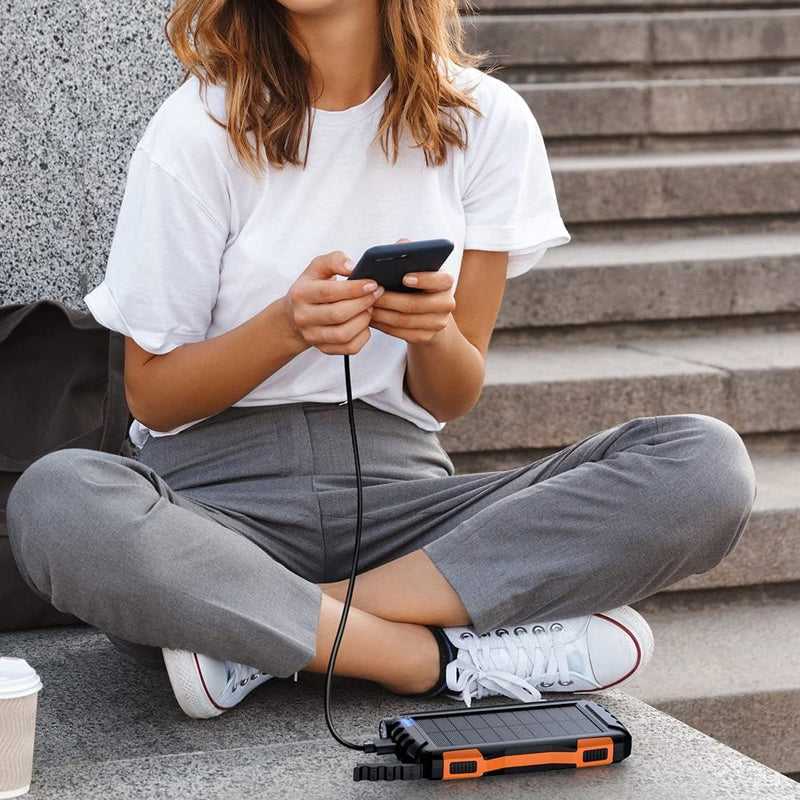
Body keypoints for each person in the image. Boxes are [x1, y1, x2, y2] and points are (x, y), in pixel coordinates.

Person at [8, 0, 756, 720]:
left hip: (404, 510)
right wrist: (285, 328)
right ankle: (427, 658)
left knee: (703, 464)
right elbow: (152, 396)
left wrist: (432, 333)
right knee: (58, 500)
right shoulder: (200, 124)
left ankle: (264, 630)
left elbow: (449, 398)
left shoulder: (486, 121)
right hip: (214, 515)